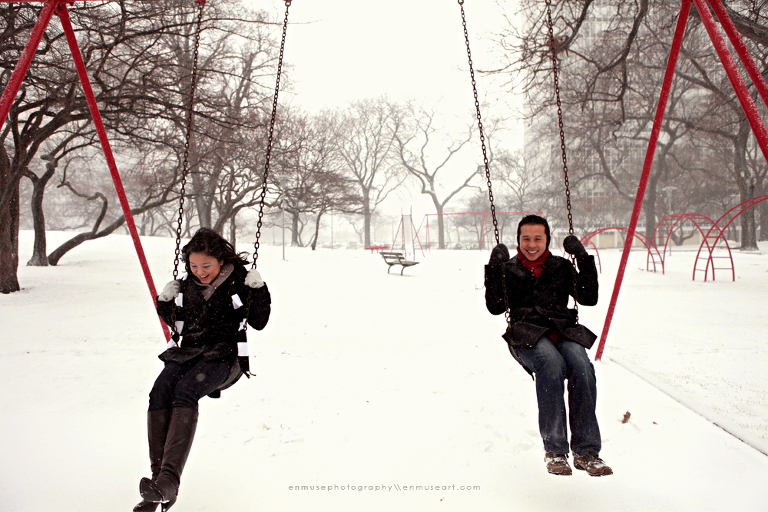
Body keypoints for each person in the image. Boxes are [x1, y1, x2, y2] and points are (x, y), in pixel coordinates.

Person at [133, 228, 272, 511]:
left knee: (184, 391)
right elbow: (179, 323)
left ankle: (168, 481)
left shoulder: (239, 282)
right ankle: (160, 485)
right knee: (159, 392)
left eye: (206, 265)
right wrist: (164, 302)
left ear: (221, 260)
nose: (199, 272)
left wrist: (258, 290)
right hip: (189, 353)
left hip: (224, 357)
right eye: (194, 266)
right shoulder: (187, 285)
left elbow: (258, 322)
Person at [484, 214, 612, 477]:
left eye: (537, 239)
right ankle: (555, 450)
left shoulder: (561, 266)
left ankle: (587, 451)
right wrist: (494, 267)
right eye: (526, 239)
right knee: (551, 363)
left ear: (547, 240)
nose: (532, 245)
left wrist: (582, 257)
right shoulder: (509, 269)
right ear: (518, 240)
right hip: (526, 333)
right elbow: (495, 307)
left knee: (582, 366)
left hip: (562, 330)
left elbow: (588, 297)